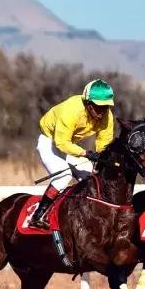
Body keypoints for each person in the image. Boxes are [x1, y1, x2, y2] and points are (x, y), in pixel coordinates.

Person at [28, 79, 115, 230]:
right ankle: (38, 216)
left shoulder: (107, 116)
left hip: (69, 146)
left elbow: (104, 142)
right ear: (88, 104)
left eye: (106, 107)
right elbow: (61, 143)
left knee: (91, 177)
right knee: (64, 175)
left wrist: (101, 158)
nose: (102, 112)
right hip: (50, 142)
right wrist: (86, 153)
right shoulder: (71, 110)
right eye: (98, 107)